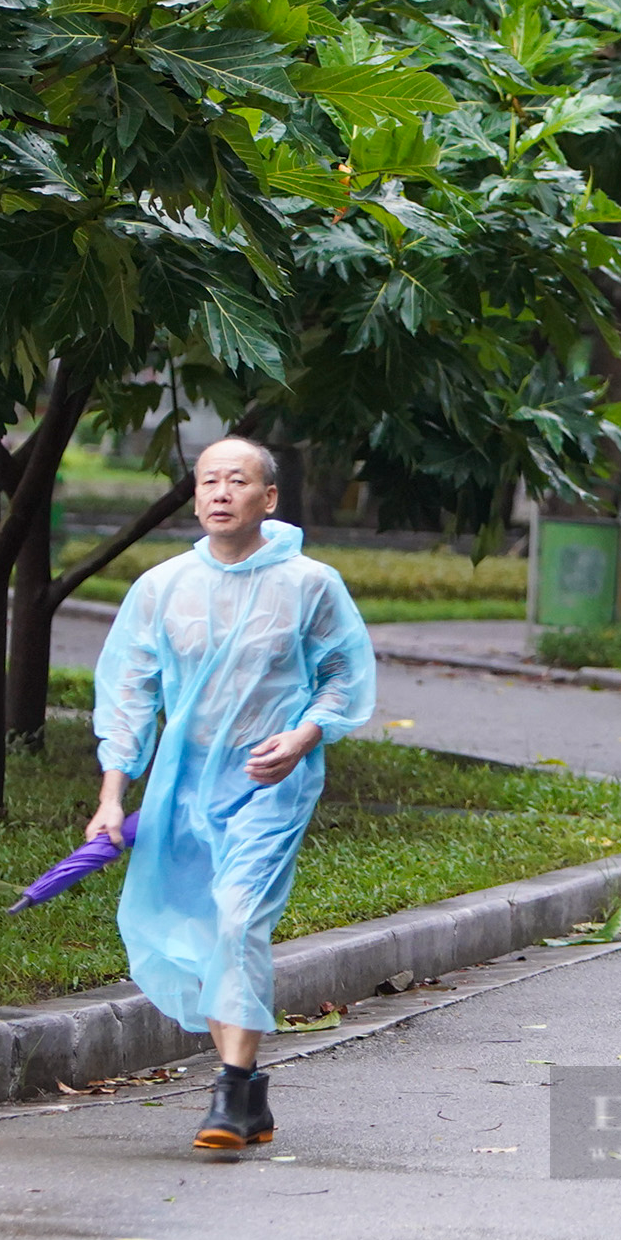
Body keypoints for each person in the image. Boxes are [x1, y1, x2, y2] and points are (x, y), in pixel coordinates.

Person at [86, 437, 376, 1151]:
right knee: (198, 925)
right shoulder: (161, 588)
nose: (219, 493)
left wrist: (306, 735)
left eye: (236, 481)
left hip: (268, 781)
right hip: (182, 785)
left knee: (238, 916)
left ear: (267, 498)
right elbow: (129, 693)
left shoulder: (310, 584)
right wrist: (112, 795)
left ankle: (228, 1091)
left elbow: (345, 673)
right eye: (207, 480)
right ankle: (247, 1101)